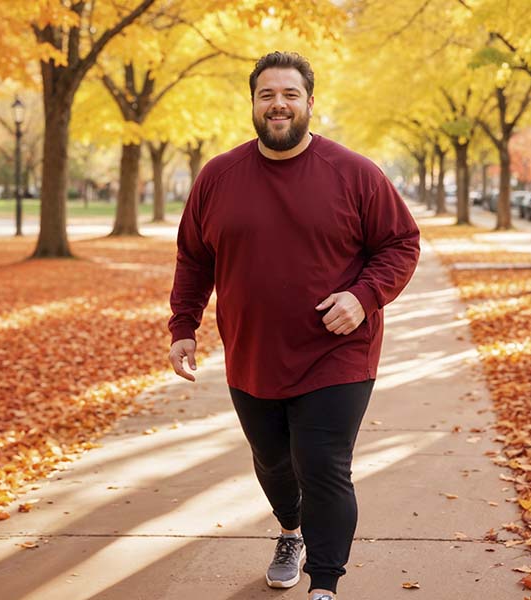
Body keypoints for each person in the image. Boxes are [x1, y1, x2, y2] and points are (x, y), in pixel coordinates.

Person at [167, 51, 420, 600]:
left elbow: (401, 243)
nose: (278, 104)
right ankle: (290, 531)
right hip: (252, 352)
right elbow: (193, 257)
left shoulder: (355, 173)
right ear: (254, 103)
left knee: (324, 466)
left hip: (338, 351)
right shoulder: (217, 176)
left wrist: (364, 297)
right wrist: (183, 324)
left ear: (310, 102)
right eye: (267, 95)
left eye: (289, 94)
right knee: (274, 462)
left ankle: (324, 585)